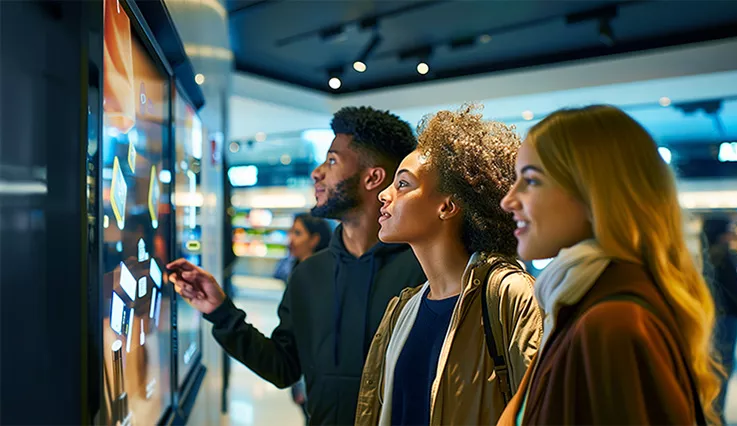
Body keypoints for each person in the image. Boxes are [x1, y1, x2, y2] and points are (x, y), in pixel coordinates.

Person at [169, 106, 427, 425]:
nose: (317, 173)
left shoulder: (425, 272)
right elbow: (284, 367)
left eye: (332, 161)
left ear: (372, 178)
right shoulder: (308, 274)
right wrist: (221, 312)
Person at [498, 105, 721, 425]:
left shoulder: (611, 321)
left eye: (531, 181)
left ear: (594, 193)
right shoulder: (578, 301)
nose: (509, 199)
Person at [355, 105, 543, 426]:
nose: (384, 195)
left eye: (403, 184)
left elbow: (539, 407)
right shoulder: (402, 310)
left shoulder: (507, 295)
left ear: (447, 206)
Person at [278, 213, 332, 420]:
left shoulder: (322, 277)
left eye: (297, 233)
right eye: (291, 232)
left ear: (315, 239)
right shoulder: (297, 271)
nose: (290, 238)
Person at [703, 218, 737, 424]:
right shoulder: (724, 256)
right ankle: (716, 415)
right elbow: (734, 292)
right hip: (727, 318)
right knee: (724, 366)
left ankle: (713, 413)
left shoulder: (707, 255)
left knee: (716, 367)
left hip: (715, 318)